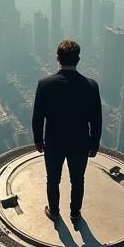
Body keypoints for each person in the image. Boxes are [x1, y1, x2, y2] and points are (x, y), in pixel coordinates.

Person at [31, 39, 102, 224]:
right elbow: (96, 118)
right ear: (78, 59)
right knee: (78, 180)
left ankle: (54, 212)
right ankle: (75, 213)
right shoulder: (91, 86)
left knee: (53, 179)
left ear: (58, 58)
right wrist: (95, 143)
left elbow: (38, 116)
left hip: (54, 142)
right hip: (80, 143)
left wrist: (38, 139)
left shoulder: (45, 84)